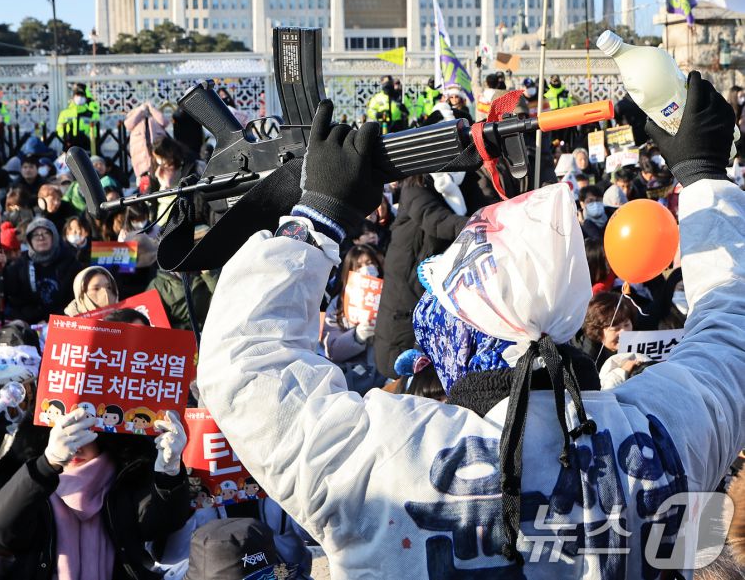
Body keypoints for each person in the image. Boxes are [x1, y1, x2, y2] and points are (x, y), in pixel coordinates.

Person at [197, 72, 745, 577]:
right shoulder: (661, 432)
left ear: (464, 331)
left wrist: (318, 214)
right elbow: (731, 335)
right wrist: (704, 176)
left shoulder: (382, 457)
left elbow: (245, 368)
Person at [0, 405, 190, 580]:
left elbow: (161, 524)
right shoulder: (35, 485)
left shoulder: (125, 478)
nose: (77, 447)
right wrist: (46, 465)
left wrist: (169, 474)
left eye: (84, 433)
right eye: (66, 435)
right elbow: (2, 529)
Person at [374, 171, 477, 378]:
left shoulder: (460, 183)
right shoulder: (415, 185)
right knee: (401, 363)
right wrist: (481, 226)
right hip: (406, 288)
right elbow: (436, 220)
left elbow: (483, 204)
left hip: (433, 286)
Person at [321, 244, 385, 395]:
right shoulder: (339, 304)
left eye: (369, 263)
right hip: (356, 379)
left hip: (386, 374)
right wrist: (357, 337)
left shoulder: (391, 295)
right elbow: (331, 349)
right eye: (359, 266)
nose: (366, 269)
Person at [0, 218, 80, 324]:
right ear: (29, 240)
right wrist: (0, 269)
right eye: (36, 234)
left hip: (62, 323)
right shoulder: (20, 264)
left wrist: (53, 321)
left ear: (54, 237)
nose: (41, 238)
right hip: (27, 323)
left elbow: (75, 300)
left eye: (46, 233)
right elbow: (4, 292)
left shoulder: (70, 263)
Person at [56, 83, 100, 150]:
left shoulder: (91, 113)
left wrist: (86, 137)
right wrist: (66, 136)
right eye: (77, 95)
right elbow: (59, 130)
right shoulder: (64, 113)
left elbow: (95, 132)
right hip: (69, 146)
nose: (79, 97)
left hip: (87, 147)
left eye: (82, 95)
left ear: (86, 98)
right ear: (73, 97)